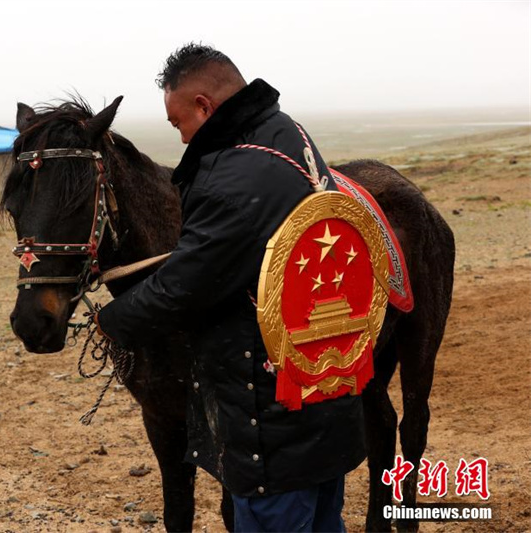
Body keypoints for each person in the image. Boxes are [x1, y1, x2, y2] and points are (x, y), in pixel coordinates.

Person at [94, 44, 367, 532]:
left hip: (270, 420)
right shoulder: (288, 134)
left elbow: (184, 287)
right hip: (322, 388)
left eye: (179, 124)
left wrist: (112, 320)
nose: (181, 139)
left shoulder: (233, 176)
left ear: (204, 105)